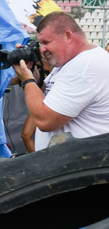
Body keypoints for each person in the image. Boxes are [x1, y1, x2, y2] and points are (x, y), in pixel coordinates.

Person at [12, 11, 109, 140]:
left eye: (46, 42)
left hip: (83, 159)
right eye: (40, 44)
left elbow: (45, 121)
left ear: (68, 36)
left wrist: (27, 79)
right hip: (72, 158)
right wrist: (32, 72)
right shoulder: (70, 62)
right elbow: (45, 96)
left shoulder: (84, 68)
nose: (42, 49)